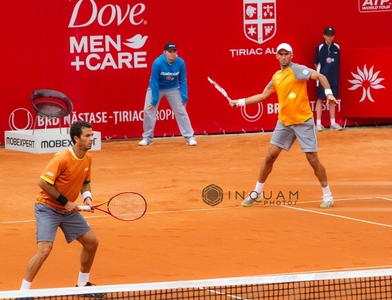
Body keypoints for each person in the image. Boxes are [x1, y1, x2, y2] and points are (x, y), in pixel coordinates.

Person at [229, 43, 337, 209]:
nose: (284, 56)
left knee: (313, 159)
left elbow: (321, 77)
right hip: (285, 122)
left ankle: (327, 195)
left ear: (291, 55)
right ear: (277, 56)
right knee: (270, 156)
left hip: (303, 121)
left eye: (287, 54)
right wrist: (239, 102)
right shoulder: (276, 77)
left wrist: (329, 94)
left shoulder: (298, 70)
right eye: (281, 54)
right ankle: (257, 192)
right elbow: (262, 96)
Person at [20, 120, 103, 296]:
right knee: (44, 250)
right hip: (47, 208)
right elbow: (43, 182)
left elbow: (85, 182)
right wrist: (66, 202)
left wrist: (87, 198)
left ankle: (82, 286)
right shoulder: (61, 158)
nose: (91, 138)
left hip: (67, 211)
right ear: (76, 138)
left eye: (92, 135)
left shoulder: (88, 158)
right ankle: (23, 293)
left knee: (91, 243)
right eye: (87, 136)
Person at [139, 42, 197, 146]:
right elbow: (154, 81)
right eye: (169, 51)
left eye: (174, 51)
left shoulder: (180, 62)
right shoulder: (158, 63)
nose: (172, 53)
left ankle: (189, 137)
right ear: (164, 52)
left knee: (181, 110)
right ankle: (147, 138)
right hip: (156, 88)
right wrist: (154, 99)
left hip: (173, 88)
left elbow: (183, 80)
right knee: (148, 110)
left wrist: (184, 97)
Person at [314, 26, 342, 131]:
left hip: (333, 78)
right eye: (327, 35)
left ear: (333, 36)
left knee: (332, 100)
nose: (329, 38)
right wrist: (321, 75)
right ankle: (318, 124)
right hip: (322, 78)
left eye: (331, 36)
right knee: (320, 99)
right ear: (324, 36)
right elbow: (315, 63)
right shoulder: (320, 47)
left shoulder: (337, 47)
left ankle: (333, 123)